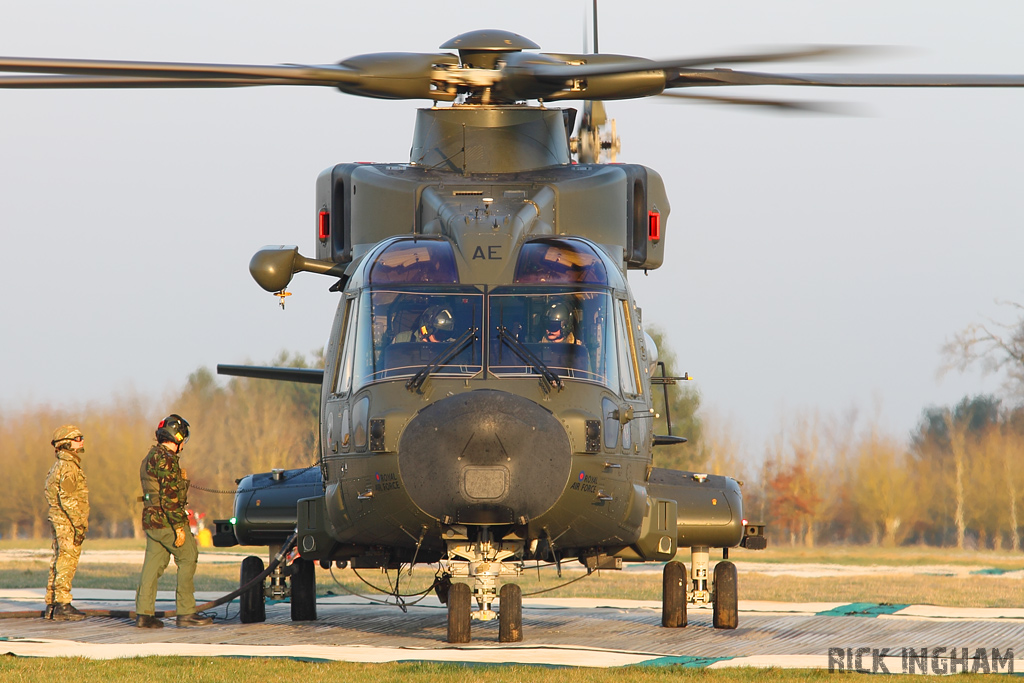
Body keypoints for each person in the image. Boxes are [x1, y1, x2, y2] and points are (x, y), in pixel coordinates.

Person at [135, 414, 213, 628]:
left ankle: (144, 614)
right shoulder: (166, 460)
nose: (183, 445)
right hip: (167, 521)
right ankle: (186, 612)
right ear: (176, 437)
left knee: (152, 566)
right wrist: (179, 527)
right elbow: (170, 498)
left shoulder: (151, 455)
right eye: (183, 440)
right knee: (188, 556)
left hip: (152, 521)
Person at [44, 425, 90, 621]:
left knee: (58, 560)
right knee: (67, 561)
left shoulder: (59, 465)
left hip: (59, 519)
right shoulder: (69, 467)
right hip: (67, 521)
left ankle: (52, 604)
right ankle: (62, 603)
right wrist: (79, 524)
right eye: (77, 438)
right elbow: (68, 500)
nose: (81, 441)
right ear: (66, 443)